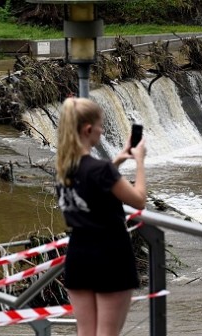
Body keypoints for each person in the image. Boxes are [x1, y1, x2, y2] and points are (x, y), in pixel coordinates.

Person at [55, 97, 147, 336]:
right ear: (88, 129)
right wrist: (139, 162)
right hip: (110, 255)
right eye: (100, 125)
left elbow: (93, 183)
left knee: (86, 332)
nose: (102, 130)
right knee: (107, 333)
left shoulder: (65, 170)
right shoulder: (100, 170)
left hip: (79, 255)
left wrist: (117, 159)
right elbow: (139, 200)